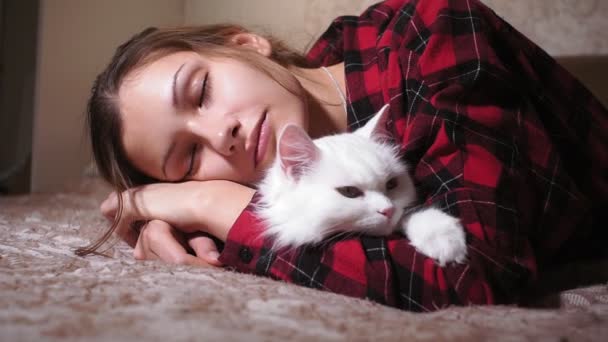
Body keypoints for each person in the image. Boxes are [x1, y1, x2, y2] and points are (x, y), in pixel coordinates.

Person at [77, 0, 607, 312]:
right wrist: (175, 215)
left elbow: (477, 275)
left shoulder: (434, 31)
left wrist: (214, 203)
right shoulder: (282, 169)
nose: (223, 134)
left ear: (245, 43)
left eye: (200, 91)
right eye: (189, 157)